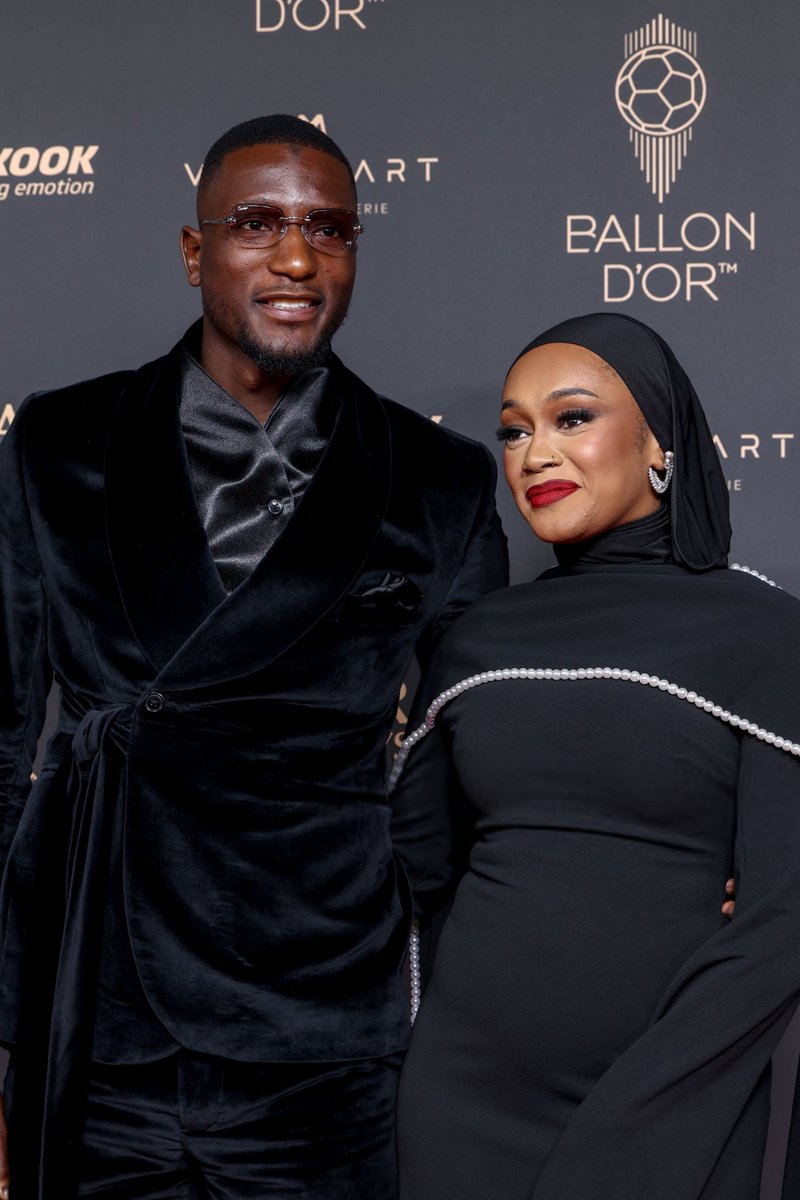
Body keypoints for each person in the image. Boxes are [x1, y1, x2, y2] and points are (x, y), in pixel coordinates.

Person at [0, 114, 508, 1199]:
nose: (294, 258)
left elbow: (471, 767)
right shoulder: (55, 442)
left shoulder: (439, 479)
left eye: (328, 231)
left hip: (321, 1025)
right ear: (195, 252)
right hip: (98, 1009)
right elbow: (4, 732)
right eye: (256, 224)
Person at [391, 312, 800, 1200]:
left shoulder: (767, 633)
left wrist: (638, 1126)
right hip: (461, 1104)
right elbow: (419, 873)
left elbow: (781, 927)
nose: (535, 453)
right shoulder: (475, 640)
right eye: (513, 429)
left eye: (571, 418)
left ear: (660, 438)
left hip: (673, 1106)